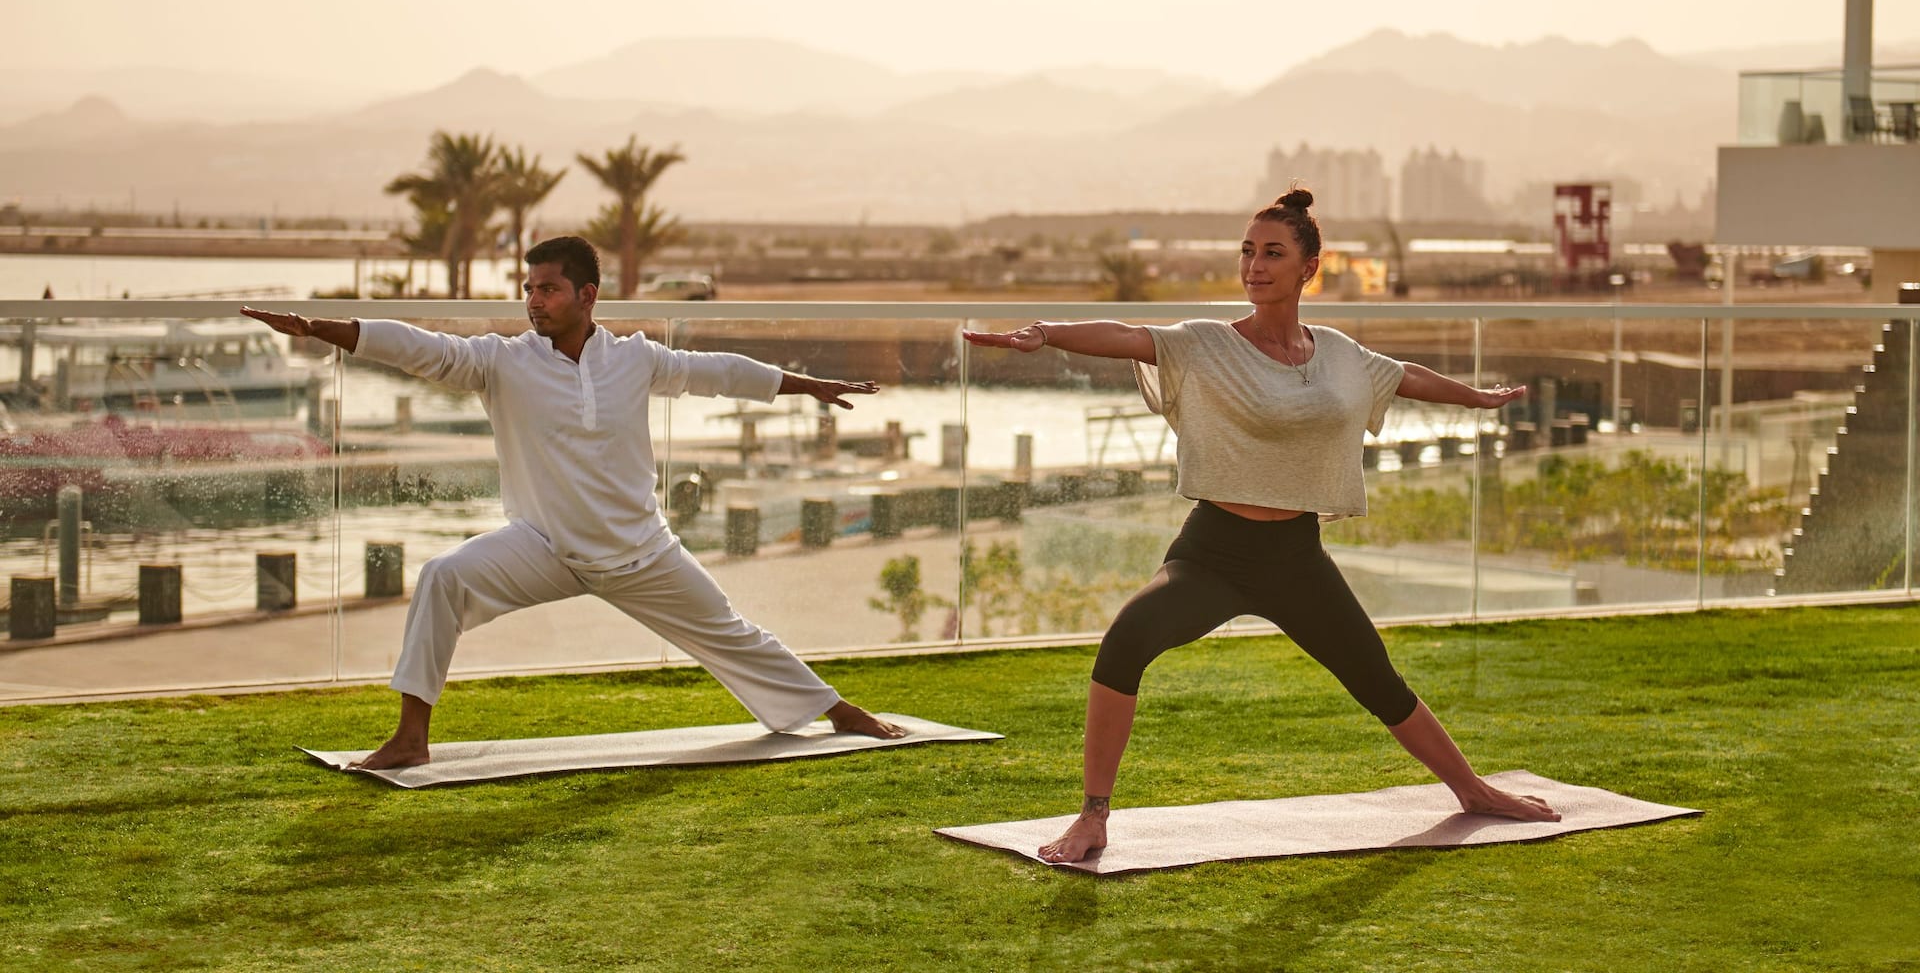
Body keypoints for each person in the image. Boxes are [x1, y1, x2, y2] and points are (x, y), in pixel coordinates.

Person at [963, 188, 1560, 864]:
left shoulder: (1336, 351)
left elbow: (1399, 377)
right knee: (1127, 640)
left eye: (1273, 253)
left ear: (1310, 267)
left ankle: (1473, 790)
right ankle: (1093, 816)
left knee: (1377, 680)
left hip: (1296, 557)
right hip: (1215, 551)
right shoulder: (1207, 345)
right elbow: (1130, 338)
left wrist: (1475, 396)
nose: (1255, 265)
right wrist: (1045, 334)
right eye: (1247, 251)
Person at [243, 235, 904, 769]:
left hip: (641, 551)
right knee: (443, 578)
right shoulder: (501, 362)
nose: (534, 301)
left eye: (548, 288)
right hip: (544, 546)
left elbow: (718, 371)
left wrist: (809, 385)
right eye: (528, 289)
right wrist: (323, 328)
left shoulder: (636, 359)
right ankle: (411, 736)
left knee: (733, 634)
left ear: (587, 295)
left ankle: (838, 711)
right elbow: (425, 350)